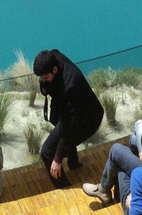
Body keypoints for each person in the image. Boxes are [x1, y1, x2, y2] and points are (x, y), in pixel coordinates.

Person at [34, 48, 104, 188]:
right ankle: (74, 164)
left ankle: (65, 187)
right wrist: (44, 84)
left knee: (48, 152)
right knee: (62, 138)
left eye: (45, 78)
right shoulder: (53, 57)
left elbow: (69, 125)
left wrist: (58, 158)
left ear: (54, 70)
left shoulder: (70, 85)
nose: (43, 81)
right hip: (72, 112)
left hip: (88, 119)